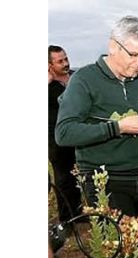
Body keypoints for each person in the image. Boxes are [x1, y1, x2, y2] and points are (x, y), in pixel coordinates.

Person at [55, 15, 138, 258]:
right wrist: (117, 127)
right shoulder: (85, 80)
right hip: (108, 184)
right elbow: (64, 133)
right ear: (114, 46)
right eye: (134, 55)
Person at [48, 45, 81, 223]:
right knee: (62, 177)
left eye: (66, 59)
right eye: (60, 61)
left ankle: (78, 212)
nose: (65, 63)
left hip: (77, 133)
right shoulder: (46, 84)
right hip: (55, 139)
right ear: (49, 65)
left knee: (78, 173)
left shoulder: (76, 78)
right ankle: (66, 218)